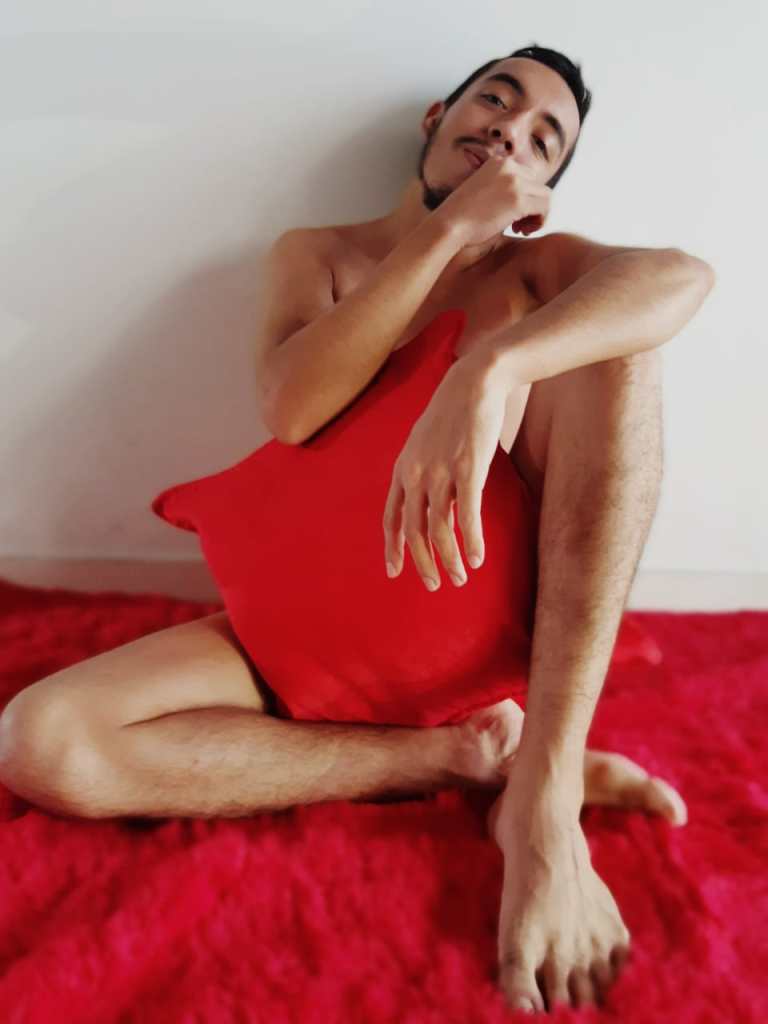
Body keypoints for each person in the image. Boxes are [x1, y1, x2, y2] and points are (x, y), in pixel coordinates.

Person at [0, 44, 713, 1014]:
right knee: (39, 740)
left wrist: (489, 367)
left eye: (544, 138)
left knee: (617, 341)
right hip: (287, 643)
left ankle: (544, 797)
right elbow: (293, 408)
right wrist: (447, 231)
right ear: (437, 120)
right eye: (496, 101)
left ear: (540, 190)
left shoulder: (536, 271)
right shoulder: (318, 254)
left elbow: (681, 278)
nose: (511, 129)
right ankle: (464, 760)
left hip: (453, 634)